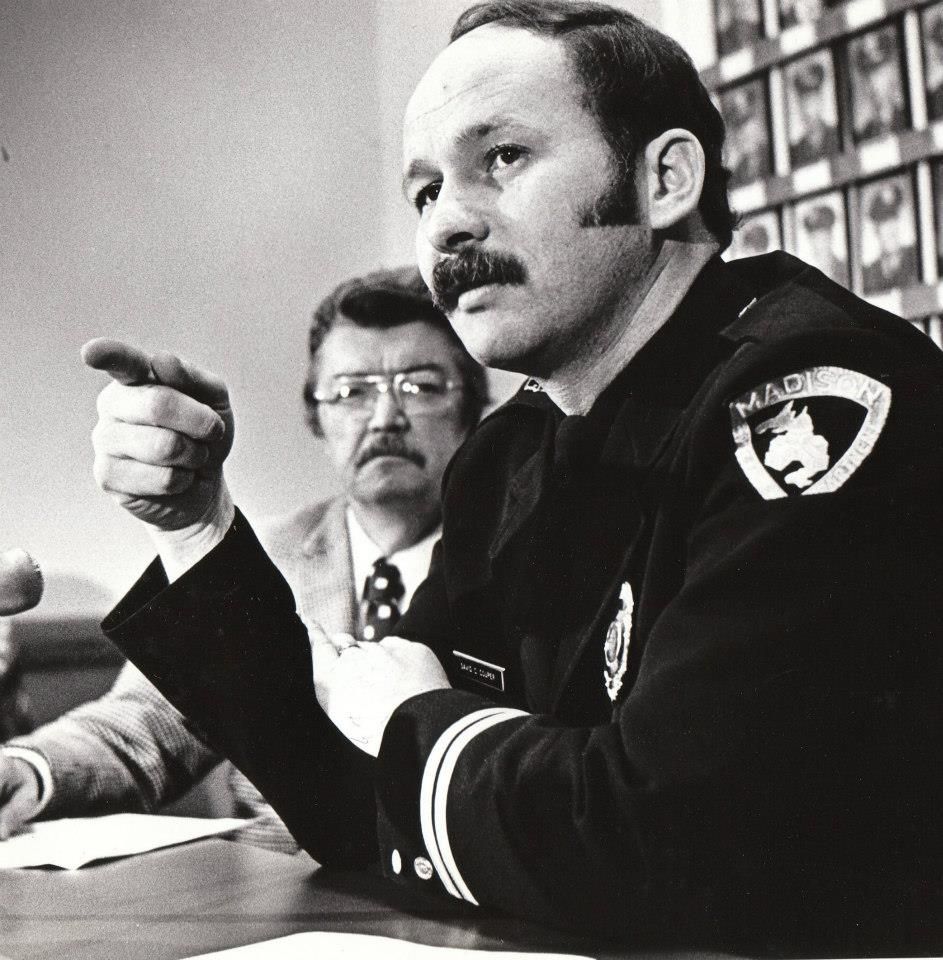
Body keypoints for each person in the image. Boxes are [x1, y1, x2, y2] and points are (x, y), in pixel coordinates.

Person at [83, 1, 943, 951]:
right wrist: (197, 524)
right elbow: (350, 794)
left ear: (663, 178)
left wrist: (418, 717)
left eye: (501, 158)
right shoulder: (510, 453)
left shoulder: (814, 396)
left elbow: (669, 845)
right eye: (423, 192)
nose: (447, 224)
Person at [0, 266, 486, 851]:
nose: (385, 418)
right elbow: (144, 727)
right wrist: (26, 770)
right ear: (317, 418)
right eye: (352, 392)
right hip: (277, 891)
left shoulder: (514, 561)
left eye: (420, 387)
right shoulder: (256, 558)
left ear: (474, 408)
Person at [862, 181, 919, 294]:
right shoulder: (868, 275)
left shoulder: (917, 258)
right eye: (884, 222)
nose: (891, 229)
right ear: (876, 229)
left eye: (894, 219)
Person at [851, 26, 907, 142]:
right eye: (868, 75)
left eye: (878, 72)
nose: (872, 84)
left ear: (891, 72)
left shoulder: (908, 118)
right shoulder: (864, 135)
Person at [788, 56, 839, 168]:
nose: (807, 110)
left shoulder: (838, 137)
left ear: (821, 101)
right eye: (803, 103)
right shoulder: (793, 153)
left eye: (812, 101)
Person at [799, 201, 847, 286]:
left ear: (831, 236)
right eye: (814, 237)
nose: (818, 243)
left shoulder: (846, 270)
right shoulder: (804, 278)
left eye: (823, 236)